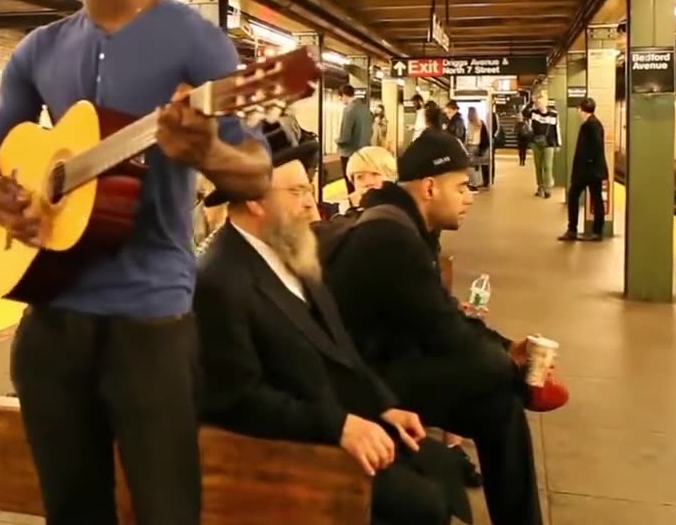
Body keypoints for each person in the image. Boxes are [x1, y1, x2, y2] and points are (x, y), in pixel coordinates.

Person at [0, 0, 273, 525]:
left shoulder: (193, 39)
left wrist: (208, 153)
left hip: (150, 326)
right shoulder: (39, 49)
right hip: (48, 322)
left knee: (166, 512)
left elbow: (257, 174)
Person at [195, 123, 472, 525]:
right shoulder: (219, 280)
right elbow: (239, 399)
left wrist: (383, 406)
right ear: (254, 200)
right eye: (297, 192)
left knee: (440, 467)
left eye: (308, 189)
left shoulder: (290, 248)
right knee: (422, 504)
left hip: (340, 416)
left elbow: (340, 349)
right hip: (291, 448)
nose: (312, 205)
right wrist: (340, 425)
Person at [322, 130, 569, 525]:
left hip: (383, 367)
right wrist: (513, 367)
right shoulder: (391, 237)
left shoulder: (403, 225)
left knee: (499, 402)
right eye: (461, 186)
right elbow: (446, 335)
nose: (470, 196)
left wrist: (506, 348)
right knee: (499, 389)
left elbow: (440, 317)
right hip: (364, 384)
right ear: (430, 187)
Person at [560, 96, 608, 241]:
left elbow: (595, 147)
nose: (578, 112)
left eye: (579, 109)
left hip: (588, 171)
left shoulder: (590, 125)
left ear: (582, 110)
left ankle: (573, 230)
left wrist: (586, 162)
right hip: (592, 170)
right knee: (596, 198)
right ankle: (596, 231)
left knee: (574, 195)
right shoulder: (594, 123)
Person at [336, 85, 373, 194]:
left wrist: (337, 140)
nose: (340, 100)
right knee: (361, 182)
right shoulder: (365, 108)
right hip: (364, 151)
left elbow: (345, 137)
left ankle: (354, 206)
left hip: (349, 153)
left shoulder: (349, 110)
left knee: (351, 184)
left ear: (344, 95)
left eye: (340, 97)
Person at [527, 94, 560, 198]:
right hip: (536, 143)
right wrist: (531, 102)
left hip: (549, 143)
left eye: (541, 102)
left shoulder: (553, 114)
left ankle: (548, 188)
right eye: (538, 103)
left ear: (545, 103)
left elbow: (557, 130)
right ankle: (540, 186)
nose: (539, 104)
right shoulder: (533, 113)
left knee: (548, 166)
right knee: (538, 166)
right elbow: (523, 113)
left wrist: (558, 144)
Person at [464, 107, 490, 191]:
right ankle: (477, 182)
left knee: (470, 165)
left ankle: (473, 184)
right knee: (476, 165)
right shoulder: (480, 123)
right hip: (477, 146)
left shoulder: (470, 123)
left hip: (471, 146)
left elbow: (469, 137)